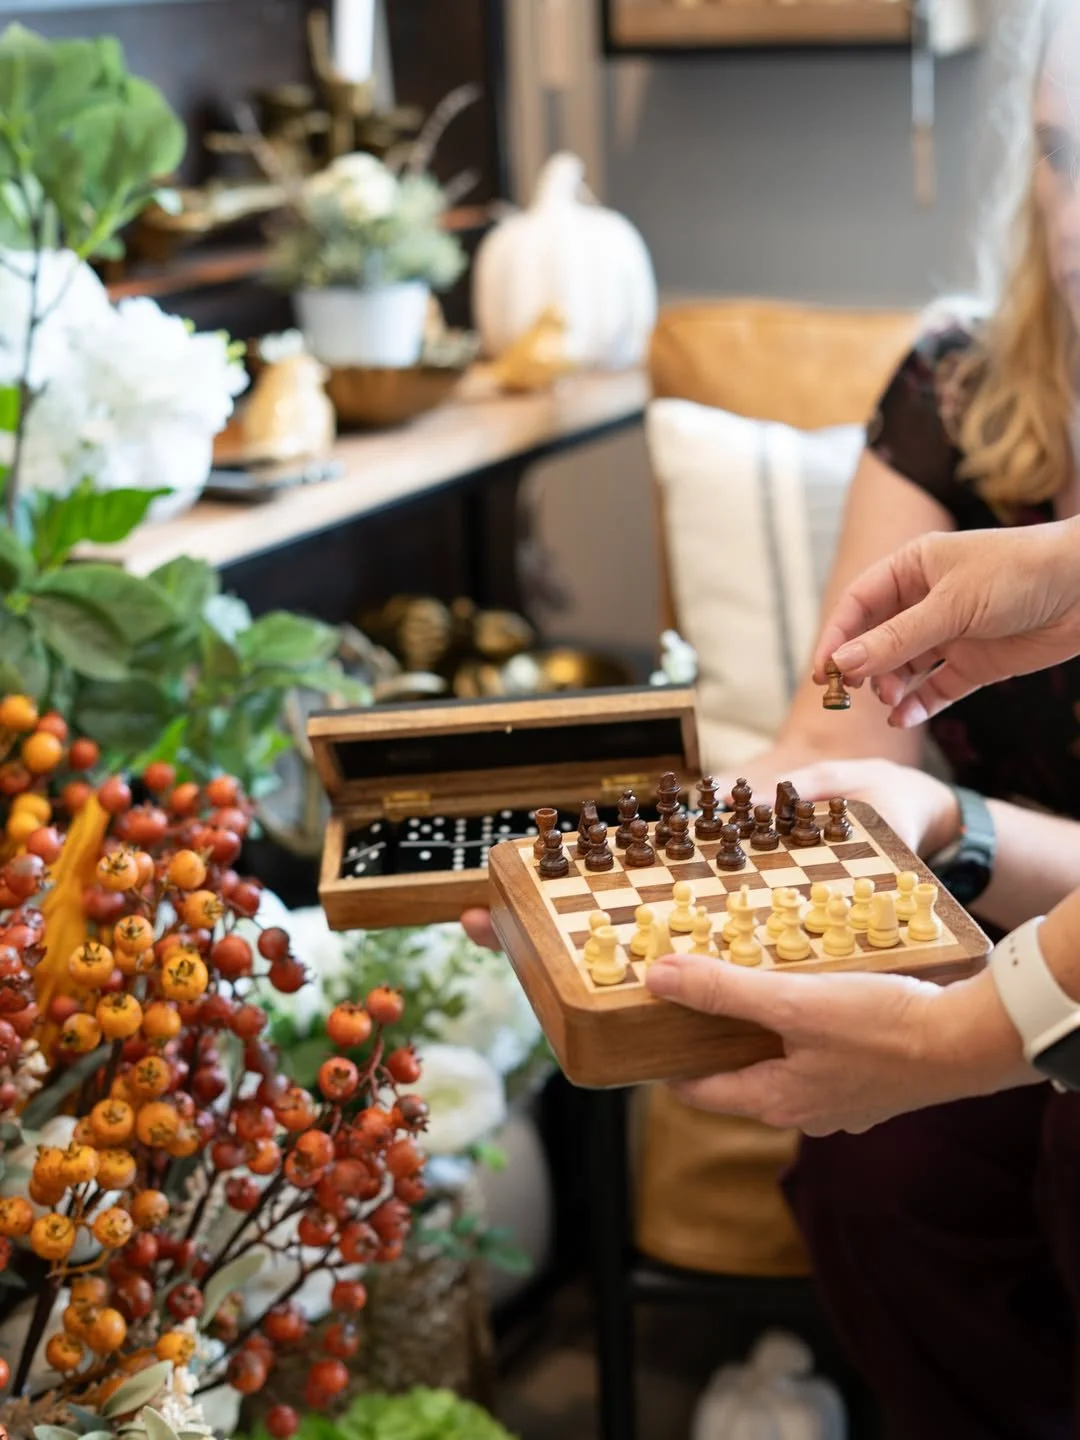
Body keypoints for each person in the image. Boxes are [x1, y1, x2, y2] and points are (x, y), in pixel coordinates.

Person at [457, 3, 1080, 1431]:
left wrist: (955, 826)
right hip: (980, 933)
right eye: (1056, 155)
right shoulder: (956, 392)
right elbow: (839, 751)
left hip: (1026, 935)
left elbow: (924, 826)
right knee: (878, 1171)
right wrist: (617, 900)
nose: (1077, 213)